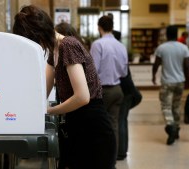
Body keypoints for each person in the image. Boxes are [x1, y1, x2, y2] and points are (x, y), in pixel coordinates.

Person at [13, 5, 117, 169]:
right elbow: (42, 92)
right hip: (77, 126)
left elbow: (82, 97)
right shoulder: (54, 50)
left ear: (36, 35)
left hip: (94, 130)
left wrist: (49, 110)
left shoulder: (67, 45)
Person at [90, 15, 128, 162]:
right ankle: (112, 157)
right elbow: (124, 72)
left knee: (98, 125)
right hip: (118, 89)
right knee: (113, 125)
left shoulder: (98, 44)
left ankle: (101, 157)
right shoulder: (121, 46)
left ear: (99, 28)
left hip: (103, 91)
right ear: (112, 27)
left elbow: (93, 71)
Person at [152, 25, 189, 145]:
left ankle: (171, 126)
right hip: (180, 82)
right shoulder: (183, 48)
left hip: (167, 82)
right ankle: (176, 129)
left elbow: (156, 64)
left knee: (166, 106)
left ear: (166, 34)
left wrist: (153, 76)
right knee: (176, 106)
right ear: (177, 34)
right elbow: (188, 67)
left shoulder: (161, 48)